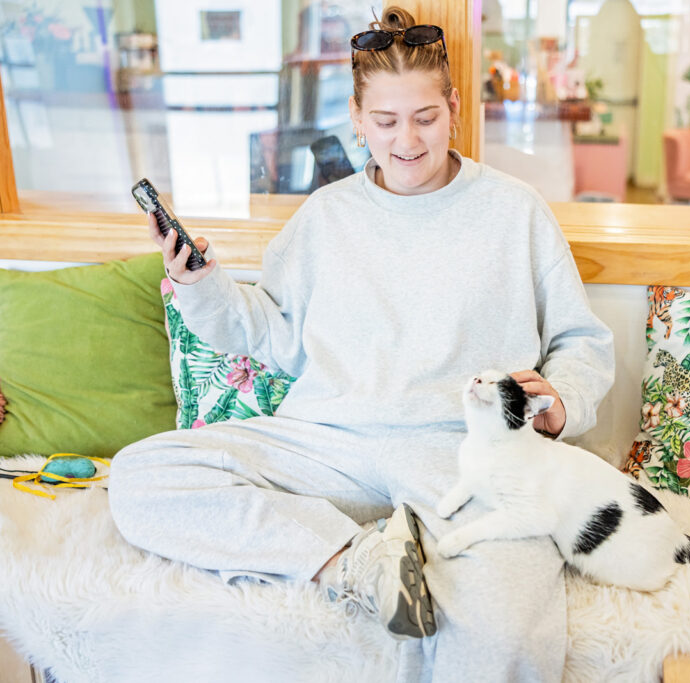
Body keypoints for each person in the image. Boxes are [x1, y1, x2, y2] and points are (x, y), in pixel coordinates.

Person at [107, 6, 614, 682]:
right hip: (331, 441)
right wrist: (198, 283)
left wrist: (560, 404)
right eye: (385, 121)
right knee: (142, 476)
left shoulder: (516, 210)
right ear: (356, 117)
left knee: (508, 623)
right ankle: (359, 563)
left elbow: (582, 342)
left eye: (425, 117)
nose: (406, 140)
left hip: (462, 454)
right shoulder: (325, 216)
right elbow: (271, 336)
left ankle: (406, 559)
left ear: (455, 107)